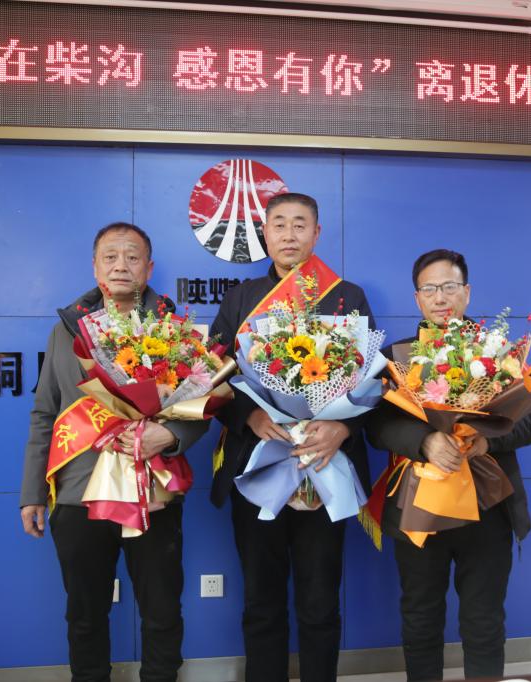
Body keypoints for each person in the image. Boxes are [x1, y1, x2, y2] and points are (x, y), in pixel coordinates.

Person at [19, 222, 208, 682]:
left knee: (162, 609)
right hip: (78, 490)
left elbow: (202, 406)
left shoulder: (173, 330)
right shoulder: (66, 332)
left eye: (132, 256)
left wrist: (171, 437)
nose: (121, 265)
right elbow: (45, 413)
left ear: (149, 268)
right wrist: (32, 493)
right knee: (85, 613)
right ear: (95, 266)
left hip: (152, 490)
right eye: (110, 256)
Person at [210, 192, 376, 682]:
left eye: (300, 225)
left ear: (316, 234)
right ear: (265, 233)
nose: (289, 234)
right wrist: (248, 416)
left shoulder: (347, 297)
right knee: (261, 600)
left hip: (325, 465)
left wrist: (343, 426)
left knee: (320, 600)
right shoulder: (240, 298)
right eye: (279, 224)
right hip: (258, 465)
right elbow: (209, 376)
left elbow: (374, 380)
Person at [366, 248, 531, 681]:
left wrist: (487, 441)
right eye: (430, 289)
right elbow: (376, 425)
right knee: (420, 617)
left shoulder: (497, 353)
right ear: (417, 299)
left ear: (466, 292)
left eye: (449, 286)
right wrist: (424, 441)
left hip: (487, 507)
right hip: (419, 508)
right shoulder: (397, 356)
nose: (440, 297)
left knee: (484, 621)